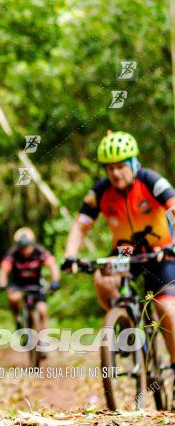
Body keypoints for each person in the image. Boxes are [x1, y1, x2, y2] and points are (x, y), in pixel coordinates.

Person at [62, 131, 175, 384]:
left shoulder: (152, 181)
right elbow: (82, 225)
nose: (115, 174)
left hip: (161, 252)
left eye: (121, 167)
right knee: (102, 279)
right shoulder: (100, 191)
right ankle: (124, 322)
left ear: (134, 163)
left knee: (166, 307)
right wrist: (70, 256)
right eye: (109, 168)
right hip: (125, 251)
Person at [0, 228, 60, 329]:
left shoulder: (39, 251)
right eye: (22, 248)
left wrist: (55, 282)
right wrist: (3, 284)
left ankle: (43, 337)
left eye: (27, 247)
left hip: (36, 284)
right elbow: (3, 270)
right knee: (13, 298)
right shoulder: (13, 253)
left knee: (43, 310)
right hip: (18, 285)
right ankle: (17, 317)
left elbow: (53, 266)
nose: (25, 250)